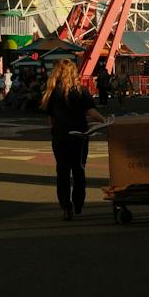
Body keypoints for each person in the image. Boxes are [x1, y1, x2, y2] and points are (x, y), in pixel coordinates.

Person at [40, 60, 105, 220]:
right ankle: (78, 203)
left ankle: (65, 206)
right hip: (79, 136)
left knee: (62, 171)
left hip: (60, 136)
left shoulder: (52, 93)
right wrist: (104, 120)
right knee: (79, 170)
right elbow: (91, 112)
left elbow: (51, 120)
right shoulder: (81, 91)